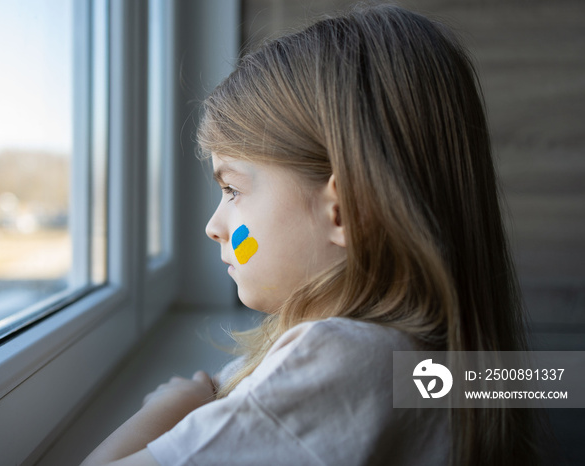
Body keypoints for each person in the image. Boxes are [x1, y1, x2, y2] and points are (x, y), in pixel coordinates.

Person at [81, 4, 544, 465]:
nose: (213, 226)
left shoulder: (343, 363)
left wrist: (171, 405)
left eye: (232, 188)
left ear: (344, 211)